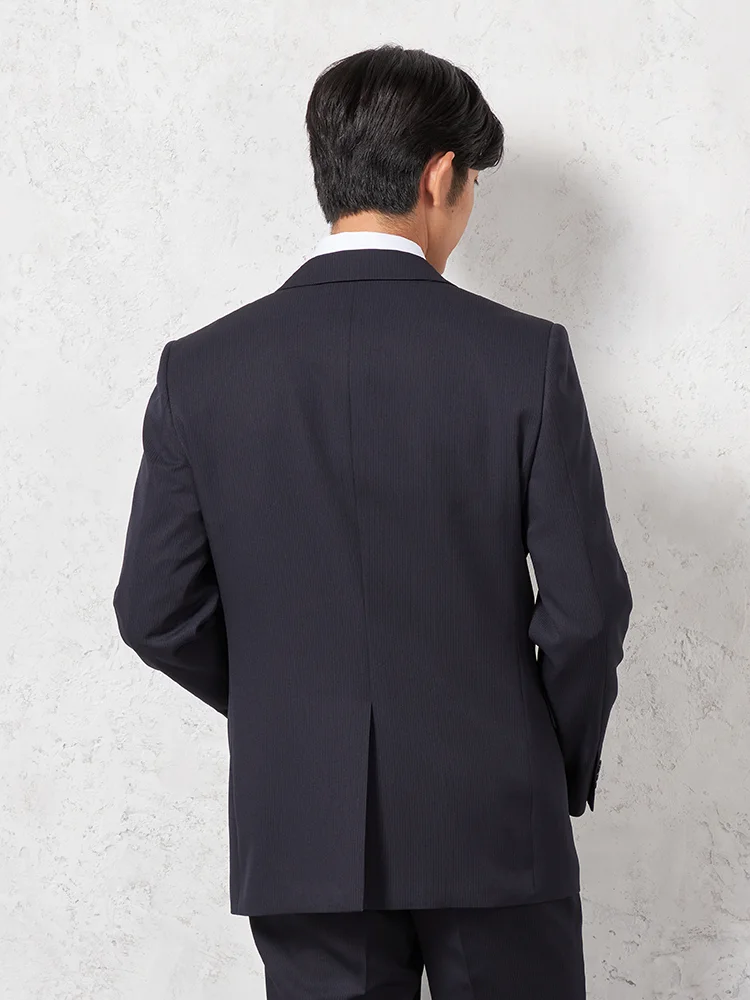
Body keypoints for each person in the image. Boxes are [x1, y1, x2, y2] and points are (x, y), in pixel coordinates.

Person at [113, 43, 633, 1000]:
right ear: (441, 177)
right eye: (474, 185)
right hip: (494, 819)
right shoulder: (523, 359)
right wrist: (538, 755)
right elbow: (587, 612)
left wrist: (293, 709)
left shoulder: (202, 370)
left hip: (302, 828)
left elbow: (154, 611)